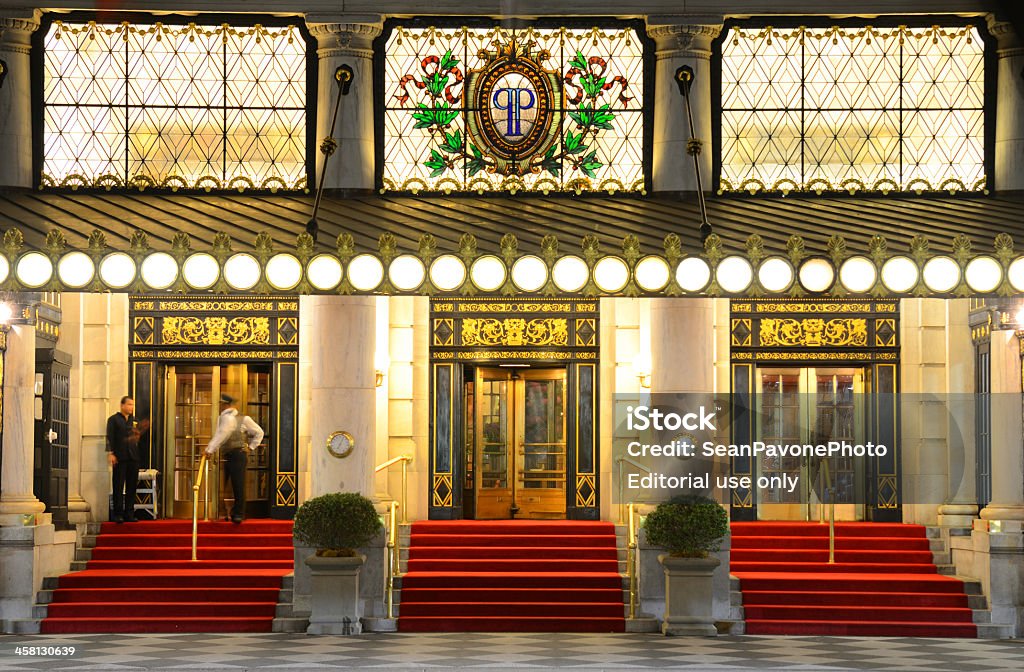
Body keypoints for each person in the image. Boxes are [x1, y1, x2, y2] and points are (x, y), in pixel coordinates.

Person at [205, 394, 264, 523]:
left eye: (222, 404)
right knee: (222, 486)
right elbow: (219, 436)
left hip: (238, 454)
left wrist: (251, 447)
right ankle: (224, 512)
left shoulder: (244, 419)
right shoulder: (221, 418)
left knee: (238, 485)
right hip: (225, 455)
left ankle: (238, 514)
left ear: (227, 405)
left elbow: (259, 432)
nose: (220, 406)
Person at [106, 396, 148, 523]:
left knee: (131, 486)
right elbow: (110, 437)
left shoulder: (134, 420)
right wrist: (111, 453)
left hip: (133, 457)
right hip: (120, 456)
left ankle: (129, 513)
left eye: (133, 405)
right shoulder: (113, 420)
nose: (131, 407)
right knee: (118, 485)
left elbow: (138, 437)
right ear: (122, 405)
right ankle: (118, 514)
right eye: (129, 404)